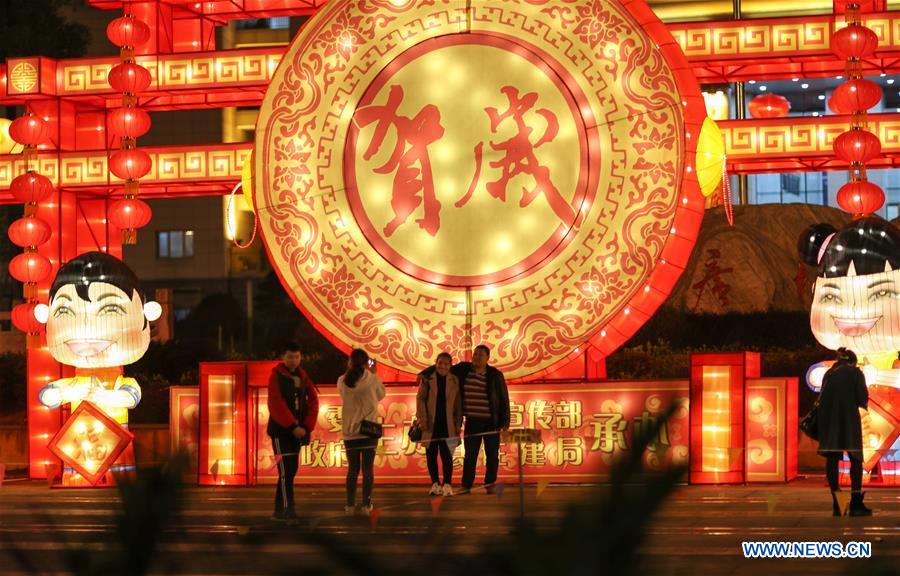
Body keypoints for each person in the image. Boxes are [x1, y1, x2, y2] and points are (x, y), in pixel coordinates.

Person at [36, 251, 159, 486]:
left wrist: (104, 395)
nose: (88, 333)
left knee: (119, 464)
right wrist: (64, 393)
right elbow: (46, 396)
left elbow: (131, 397)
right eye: (64, 311)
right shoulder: (76, 382)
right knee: (79, 462)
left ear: (146, 314)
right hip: (81, 434)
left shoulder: (120, 380)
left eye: (110, 310)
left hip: (115, 431)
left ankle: (120, 475)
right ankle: (76, 475)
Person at [426, 345, 509, 494]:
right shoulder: (464, 369)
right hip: (472, 420)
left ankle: (489, 484)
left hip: (491, 422)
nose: (476, 357)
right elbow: (443, 366)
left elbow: (504, 399)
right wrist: (422, 374)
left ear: (487, 358)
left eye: (480, 355)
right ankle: (466, 485)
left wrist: (505, 422)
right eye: (475, 354)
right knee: (470, 454)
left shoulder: (495, 375)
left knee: (492, 455)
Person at [266, 342, 319, 523]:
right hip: (281, 432)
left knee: (291, 471)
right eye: (290, 356)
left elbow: (313, 400)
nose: (294, 360)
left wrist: (306, 426)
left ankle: (278, 510)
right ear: (283, 357)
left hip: (298, 431)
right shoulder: (276, 377)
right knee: (285, 472)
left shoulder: (303, 376)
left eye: (296, 356)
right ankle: (289, 510)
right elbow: (276, 404)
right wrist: (292, 426)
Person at [817, 348, 872, 517]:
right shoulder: (855, 373)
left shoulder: (829, 373)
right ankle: (856, 502)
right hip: (849, 421)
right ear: (852, 361)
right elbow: (862, 399)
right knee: (855, 459)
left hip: (829, 421)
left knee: (832, 458)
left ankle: (837, 502)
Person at [338, 349, 385, 516]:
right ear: (367, 363)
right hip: (369, 431)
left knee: (352, 470)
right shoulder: (373, 379)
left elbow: (344, 395)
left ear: (350, 362)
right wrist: (373, 373)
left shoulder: (342, 380)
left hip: (350, 433)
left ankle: (350, 506)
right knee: (367, 470)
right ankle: (366, 506)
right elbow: (381, 395)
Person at [416, 352, 463, 496]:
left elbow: (458, 404)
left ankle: (447, 484)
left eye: (446, 364)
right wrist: (422, 419)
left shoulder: (455, 380)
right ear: (436, 363)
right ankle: (435, 484)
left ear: (450, 366)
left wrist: (458, 423)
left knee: (447, 455)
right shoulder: (427, 379)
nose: (443, 366)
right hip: (430, 424)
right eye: (440, 363)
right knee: (431, 455)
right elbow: (420, 399)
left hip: (448, 424)